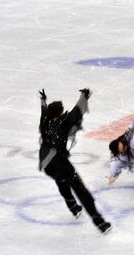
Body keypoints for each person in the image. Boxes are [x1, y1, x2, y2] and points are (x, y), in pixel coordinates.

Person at [38, 88, 111, 234]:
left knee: (61, 181)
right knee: (80, 190)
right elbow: (77, 111)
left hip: (46, 164)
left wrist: (43, 101)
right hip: (60, 163)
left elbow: (44, 112)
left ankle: (73, 208)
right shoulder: (63, 122)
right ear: (60, 112)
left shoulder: (45, 122)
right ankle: (99, 222)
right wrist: (84, 96)